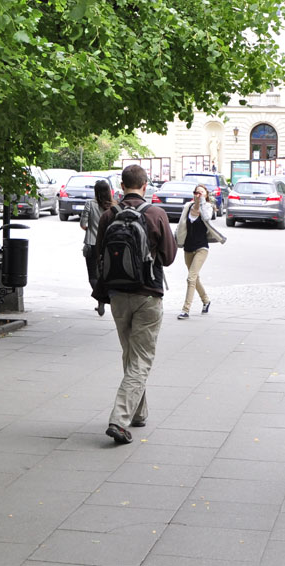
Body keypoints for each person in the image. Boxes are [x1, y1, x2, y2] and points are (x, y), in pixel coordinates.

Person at [94, 164, 177, 445]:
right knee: (141, 358)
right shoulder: (156, 213)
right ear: (145, 186)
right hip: (148, 295)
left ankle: (138, 413)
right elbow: (169, 257)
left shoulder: (109, 215)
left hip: (118, 295)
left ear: (122, 185)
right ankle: (119, 420)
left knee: (131, 354)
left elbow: (99, 254)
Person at [175, 184, 226, 320]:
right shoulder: (188, 207)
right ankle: (206, 300)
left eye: (201, 193)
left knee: (190, 278)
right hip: (188, 247)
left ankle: (185, 310)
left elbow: (207, 217)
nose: (198, 195)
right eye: (196, 193)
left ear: (206, 195)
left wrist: (202, 202)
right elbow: (181, 224)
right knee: (194, 278)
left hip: (201, 247)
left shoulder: (208, 207)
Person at [80, 179, 115, 316]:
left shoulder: (89, 204)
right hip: (108, 246)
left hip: (92, 244)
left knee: (93, 276)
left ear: (95, 192)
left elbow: (83, 224)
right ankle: (105, 297)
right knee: (105, 274)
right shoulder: (114, 206)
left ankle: (100, 299)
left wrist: (91, 229)